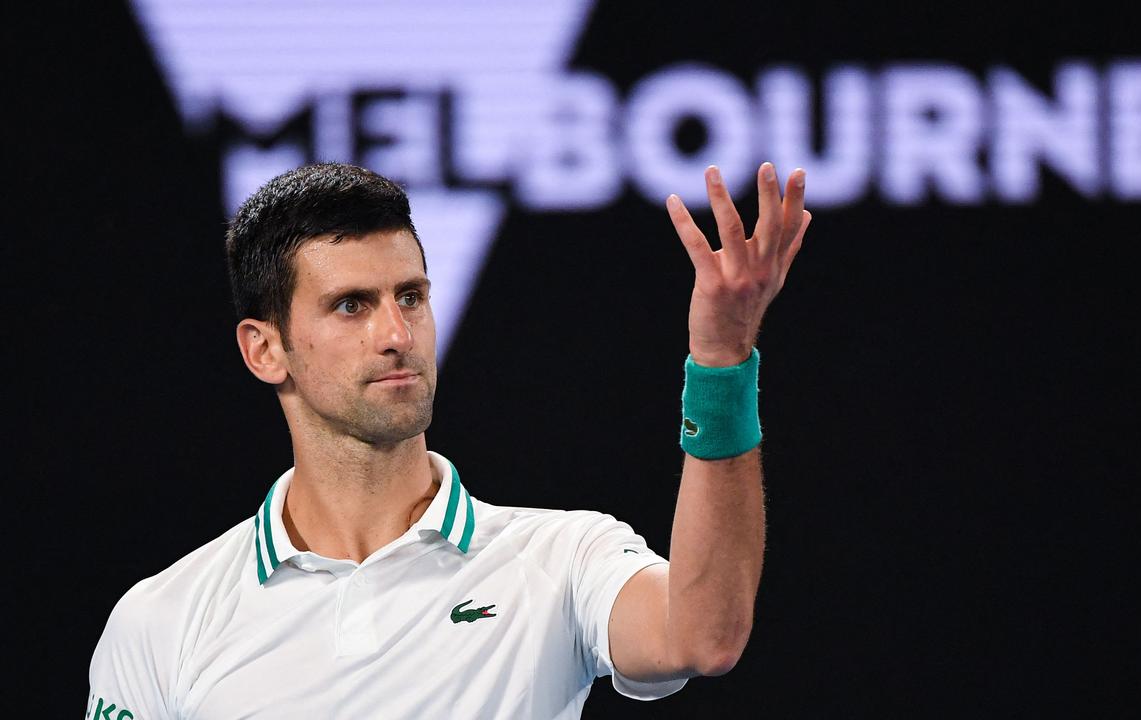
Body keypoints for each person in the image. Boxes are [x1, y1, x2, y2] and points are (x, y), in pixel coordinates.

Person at [87, 161, 811, 719]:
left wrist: (721, 362)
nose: (397, 335)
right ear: (265, 350)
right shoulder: (163, 621)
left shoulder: (561, 561)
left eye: (411, 296)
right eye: (351, 306)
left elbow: (703, 635)